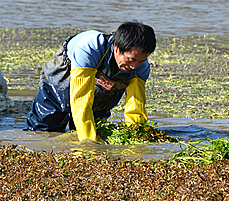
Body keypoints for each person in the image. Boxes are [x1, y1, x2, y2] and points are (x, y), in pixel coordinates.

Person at [26, 21, 156, 143]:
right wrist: (90, 144)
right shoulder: (90, 48)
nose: (134, 66)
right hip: (66, 70)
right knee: (47, 122)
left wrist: (138, 138)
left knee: (94, 120)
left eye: (140, 61)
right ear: (117, 48)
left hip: (103, 81)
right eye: (131, 59)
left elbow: (135, 110)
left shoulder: (141, 68)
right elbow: (81, 102)